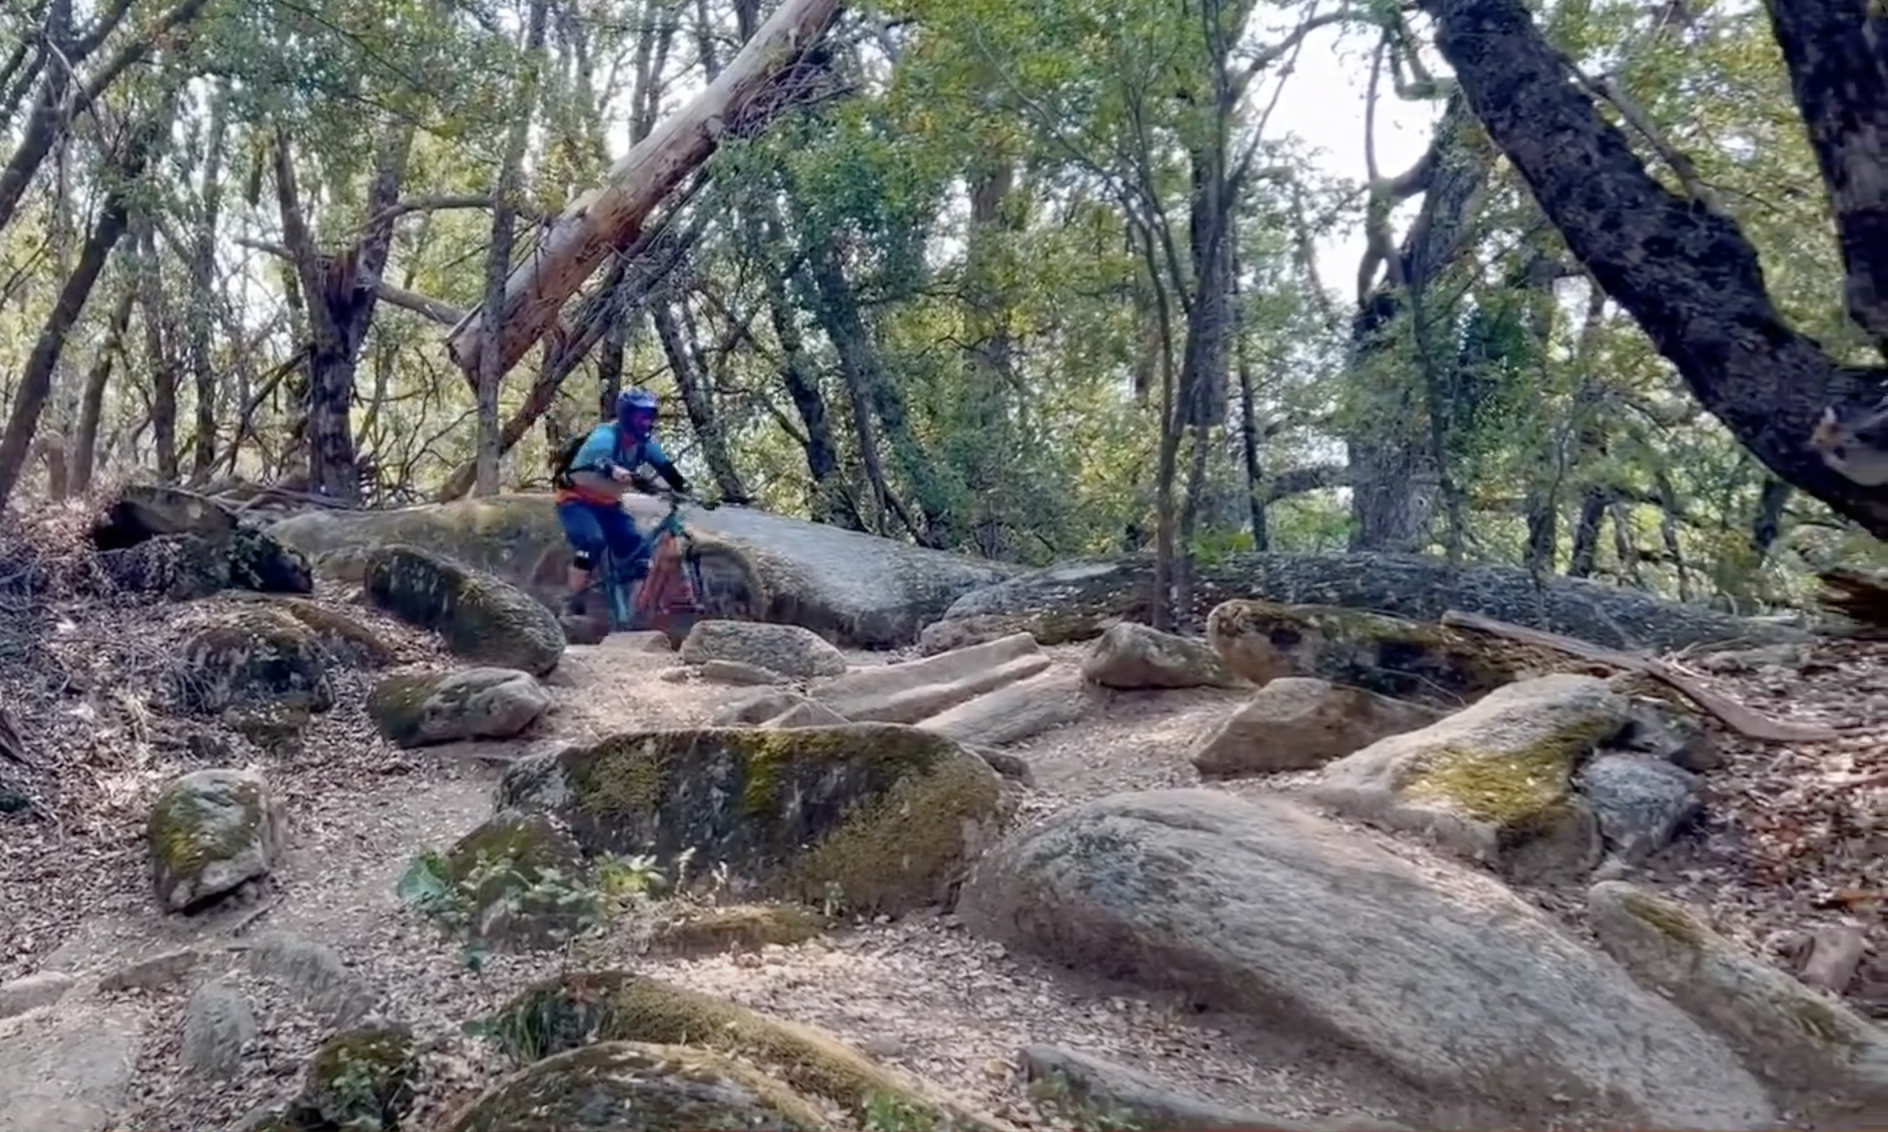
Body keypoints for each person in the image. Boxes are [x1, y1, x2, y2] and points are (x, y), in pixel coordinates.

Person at [554, 388, 691, 616]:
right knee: (591, 542)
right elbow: (599, 459)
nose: (646, 422)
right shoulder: (605, 435)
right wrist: (614, 470)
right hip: (577, 501)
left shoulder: (644, 445)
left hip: (609, 505)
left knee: (640, 554)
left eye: (649, 416)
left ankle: (633, 615)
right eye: (640, 417)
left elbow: (667, 470)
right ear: (627, 416)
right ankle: (571, 602)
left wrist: (687, 490)